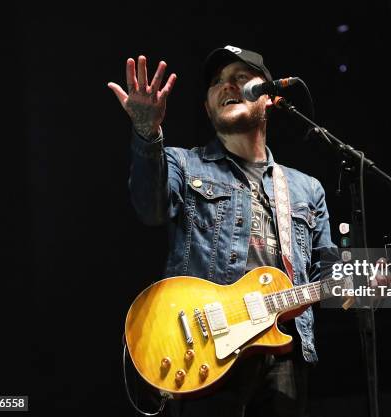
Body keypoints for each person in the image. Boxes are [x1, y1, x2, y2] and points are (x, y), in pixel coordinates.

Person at [108, 45, 338, 417]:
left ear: (271, 99)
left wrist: (363, 280)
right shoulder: (183, 163)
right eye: (216, 82)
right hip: (203, 346)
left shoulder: (305, 188)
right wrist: (146, 131)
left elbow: (326, 274)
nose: (226, 86)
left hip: (282, 352)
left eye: (241, 78)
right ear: (207, 106)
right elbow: (150, 209)